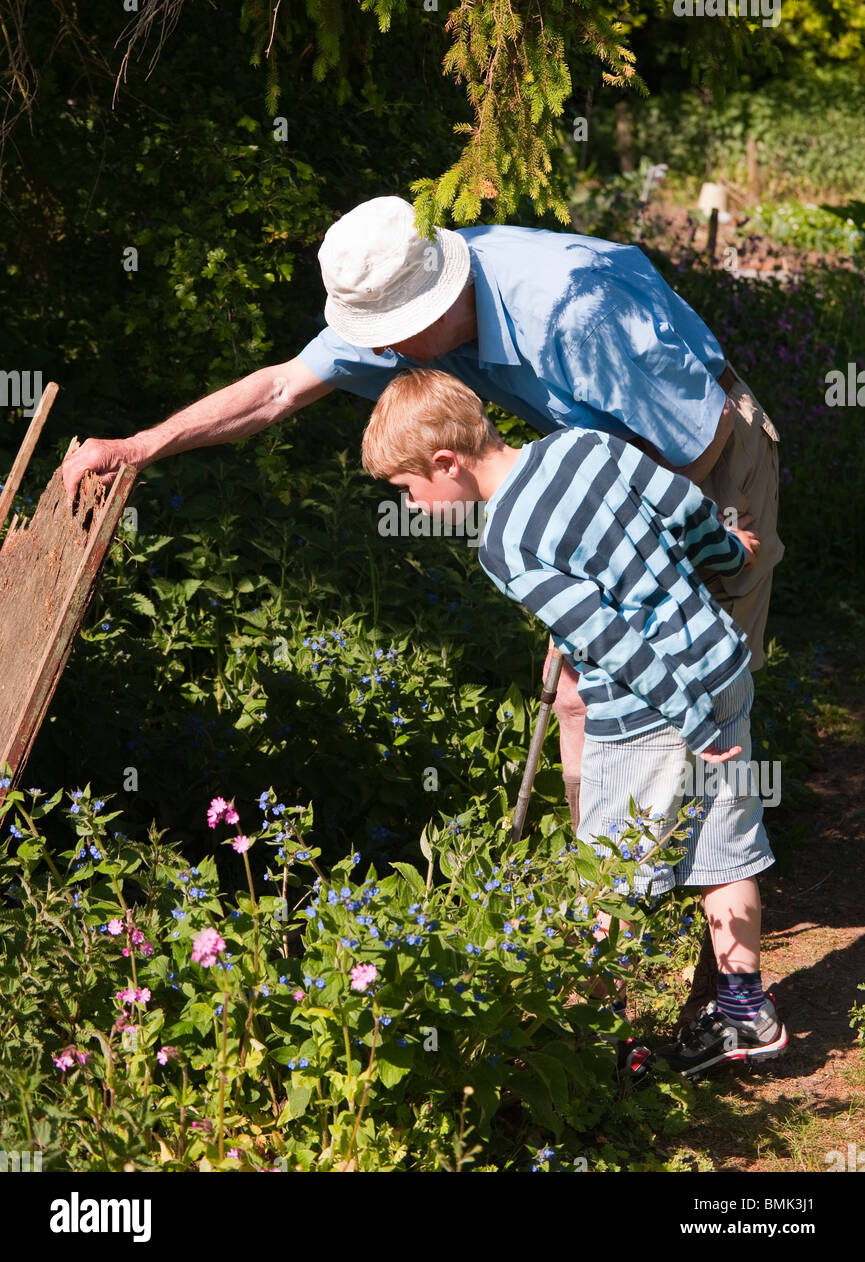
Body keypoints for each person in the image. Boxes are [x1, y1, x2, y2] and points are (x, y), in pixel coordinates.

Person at [62, 194, 783, 1022]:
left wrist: (611, 571)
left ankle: (684, 973)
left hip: (700, 448)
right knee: (593, 699)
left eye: (393, 337)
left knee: (692, 714)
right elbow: (275, 392)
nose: (381, 355)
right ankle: (644, 953)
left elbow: (690, 454)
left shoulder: (564, 308)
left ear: (441, 302)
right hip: (596, 474)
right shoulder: (398, 293)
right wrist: (140, 447)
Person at [359, 366, 788, 1076]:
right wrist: (722, 551)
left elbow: (612, 644)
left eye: (408, 492)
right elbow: (683, 505)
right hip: (721, 663)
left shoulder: (505, 545)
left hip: (649, 713)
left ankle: (583, 1042)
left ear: (446, 464)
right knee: (722, 845)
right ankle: (746, 1012)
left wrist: (688, 724)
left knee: (608, 875)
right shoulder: (581, 445)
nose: (414, 506)